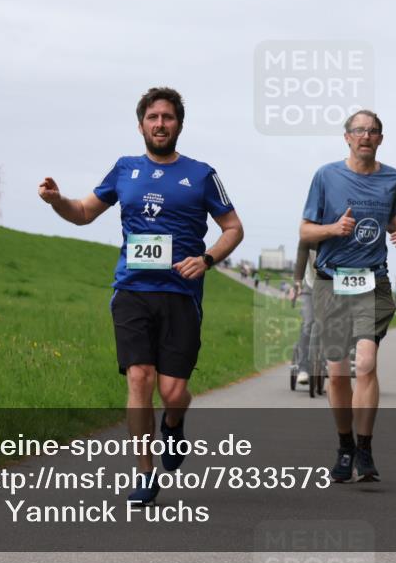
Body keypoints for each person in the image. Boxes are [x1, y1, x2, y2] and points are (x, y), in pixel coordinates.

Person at [38, 87, 243, 505]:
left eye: (168, 117)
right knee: (139, 378)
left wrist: (206, 260)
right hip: (132, 289)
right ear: (141, 125)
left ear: (179, 125)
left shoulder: (201, 174)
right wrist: (57, 200)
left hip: (181, 294)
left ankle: (174, 423)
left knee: (172, 392)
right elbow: (82, 212)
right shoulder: (124, 169)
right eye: (153, 118)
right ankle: (145, 474)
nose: (161, 124)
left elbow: (233, 228)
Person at [299, 109, 396, 483]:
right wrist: (333, 228)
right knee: (336, 372)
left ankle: (365, 448)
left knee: (364, 362)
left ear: (381, 138)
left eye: (373, 131)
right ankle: (344, 445)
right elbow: (305, 231)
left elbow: (390, 216)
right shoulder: (326, 176)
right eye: (359, 130)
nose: (366, 136)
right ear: (346, 137)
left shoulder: (392, 178)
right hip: (331, 282)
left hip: (372, 281)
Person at [291, 241, 318, 385]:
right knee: (308, 323)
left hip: (333, 287)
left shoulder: (339, 234)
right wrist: (297, 284)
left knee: (331, 326)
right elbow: (300, 261)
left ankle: (327, 363)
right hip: (310, 285)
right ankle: (303, 368)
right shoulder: (310, 236)